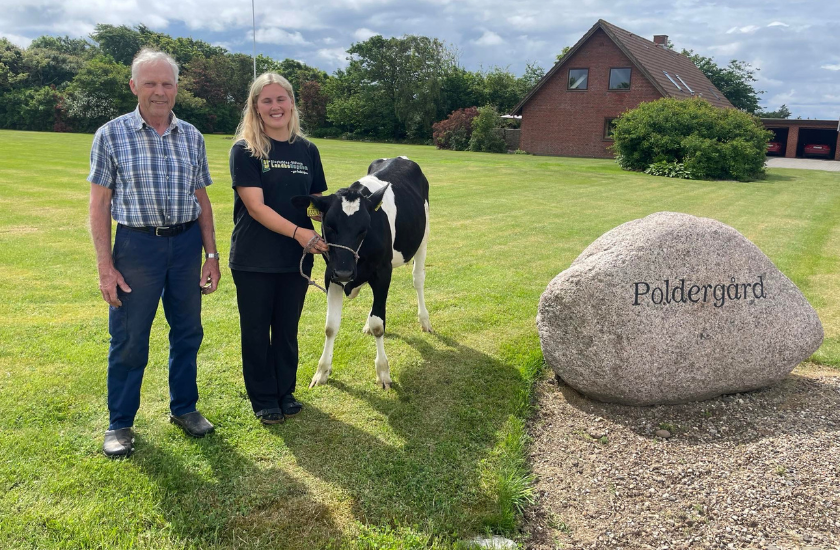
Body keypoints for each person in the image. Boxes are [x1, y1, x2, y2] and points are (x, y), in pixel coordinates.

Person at [88, 48, 221, 458]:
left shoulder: (192, 136)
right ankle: (120, 423)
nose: (159, 91)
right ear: (134, 86)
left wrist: (211, 255)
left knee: (188, 332)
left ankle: (184, 408)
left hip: (185, 246)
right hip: (136, 246)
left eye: (167, 83)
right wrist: (105, 267)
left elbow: (202, 200)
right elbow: (99, 206)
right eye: (150, 83)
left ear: (177, 89)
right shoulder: (111, 134)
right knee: (129, 338)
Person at [228, 73, 328, 425]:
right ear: (255, 106)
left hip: (295, 261)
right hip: (254, 259)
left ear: (291, 104)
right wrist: (301, 233)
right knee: (256, 331)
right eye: (266, 101)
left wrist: (334, 221)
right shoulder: (246, 150)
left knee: (286, 330)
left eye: (281, 99)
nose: (275, 107)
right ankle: (264, 398)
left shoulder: (307, 150)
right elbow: (256, 207)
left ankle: (285, 391)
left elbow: (316, 203)